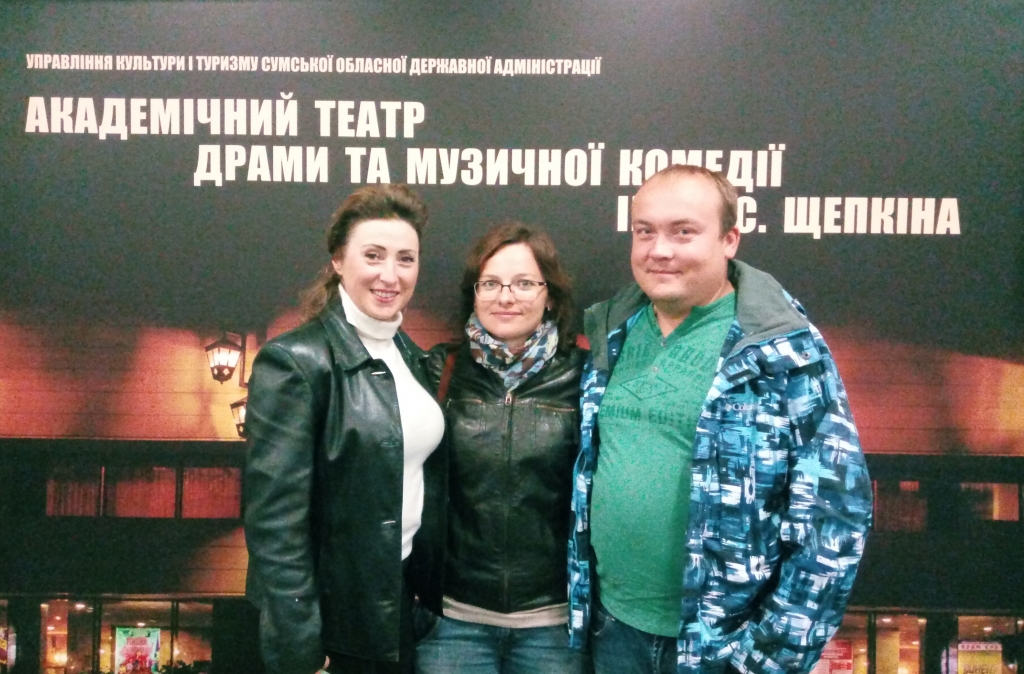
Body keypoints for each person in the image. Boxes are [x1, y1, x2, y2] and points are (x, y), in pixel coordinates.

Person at [567, 164, 873, 674]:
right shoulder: (613, 331)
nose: (659, 250)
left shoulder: (784, 348)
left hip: (723, 649)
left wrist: (767, 657)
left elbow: (836, 517)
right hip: (613, 630)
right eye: (645, 231)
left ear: (729, 240)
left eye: (683, 232)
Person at [243, 184, 446, 674]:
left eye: (405, 259)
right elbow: (275, 525)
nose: (390, 275)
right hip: (333, 619)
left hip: (399, 604)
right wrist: (300, 647)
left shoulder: (412, 357)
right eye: (373, 255)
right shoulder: (295, 361)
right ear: (338, 260)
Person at [415, 223, 587, 674]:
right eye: (490, 283)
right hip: (453, 623)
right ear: (473, 294)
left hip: (553, 626)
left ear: (551, 296)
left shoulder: (586, 378)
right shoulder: (439, 371)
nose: (505, 297)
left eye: (524, 283)